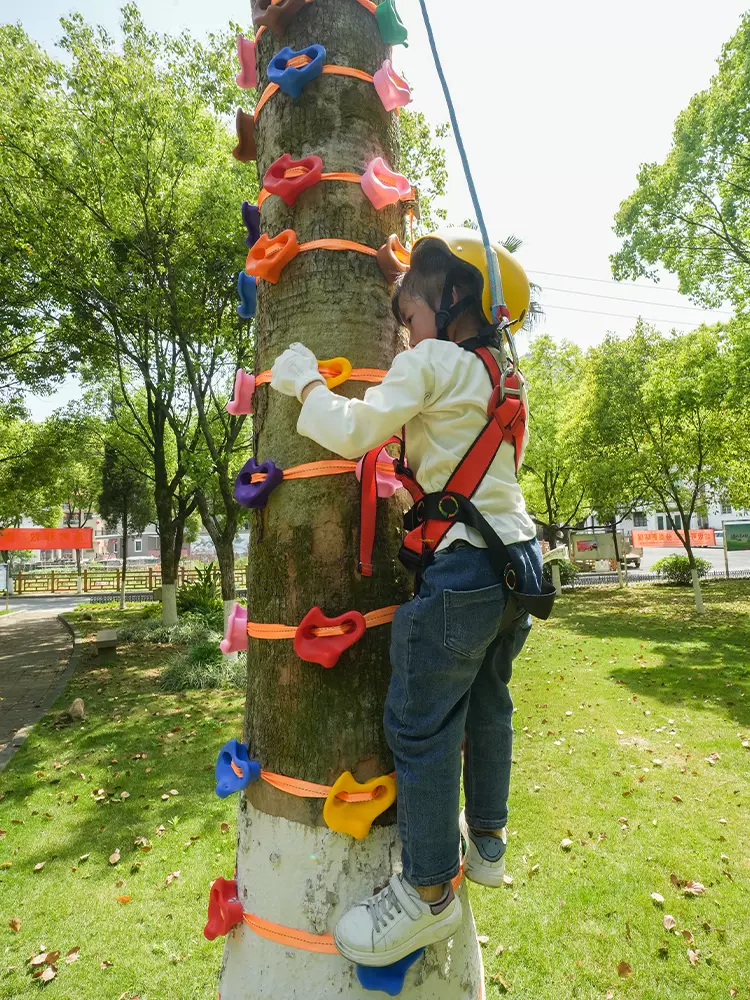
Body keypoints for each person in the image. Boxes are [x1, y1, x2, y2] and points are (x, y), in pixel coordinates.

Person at [269, 229, 544, 968]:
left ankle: (427, 896)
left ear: (453, 300)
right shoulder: (502, 378)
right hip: (520, 565)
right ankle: (485, 840)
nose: (405, 333)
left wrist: (305, 384)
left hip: (462, 571)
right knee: (488, 702)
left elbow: (355, 431)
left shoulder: (434, 361)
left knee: (418, 729)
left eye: (411, 314)